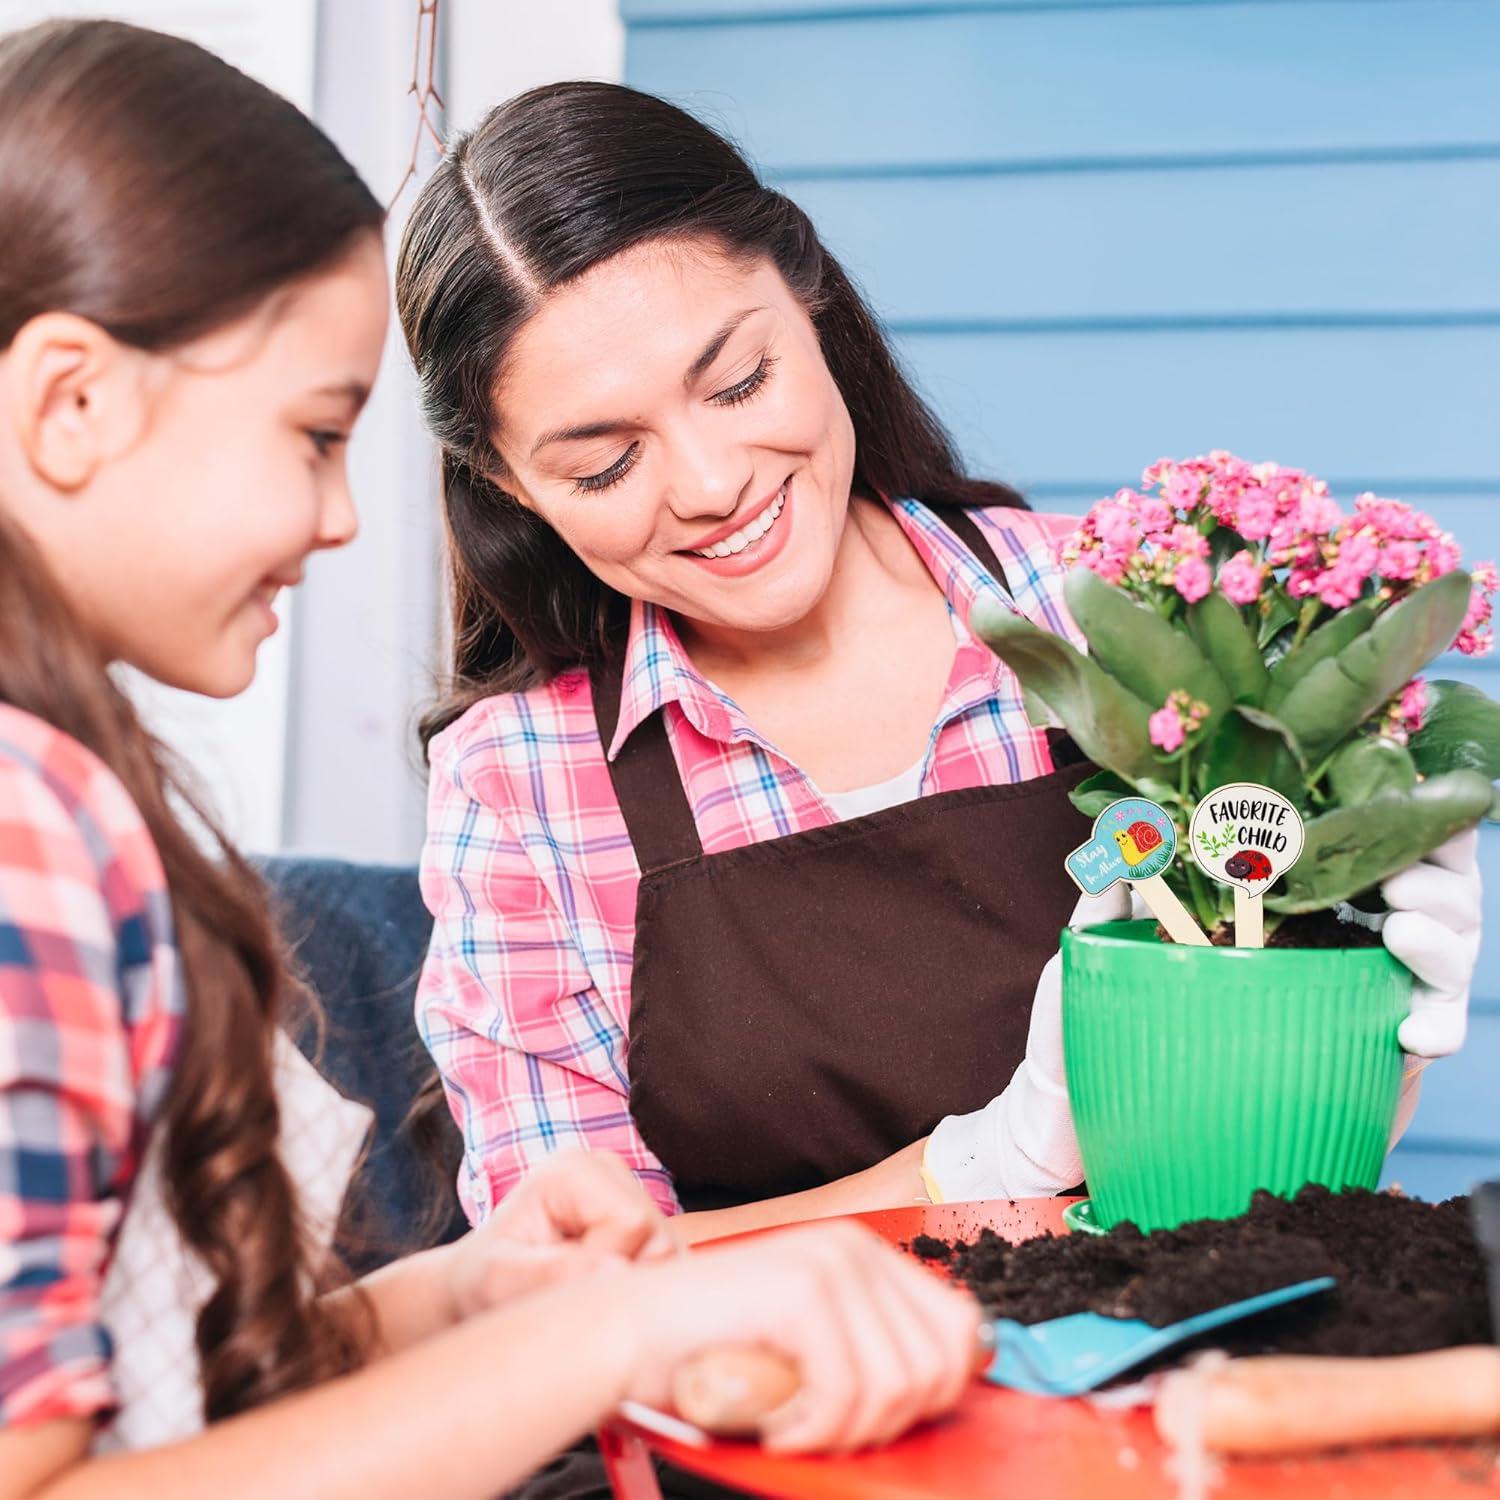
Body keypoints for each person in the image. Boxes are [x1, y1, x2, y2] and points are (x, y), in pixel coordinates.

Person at [0, 23, 981, 1499]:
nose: (341, 524)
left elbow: (152, 1400)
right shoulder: (30, 826)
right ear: (70, 405)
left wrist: (460, 1297)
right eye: (318, 434)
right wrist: (620, 1330)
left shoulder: (72, 810)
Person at [401, 80, 1479, 1249]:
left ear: (808, 295)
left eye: (740, 381)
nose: (710, 486)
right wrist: (972, 1169)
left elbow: (1281, 1177)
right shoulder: (523, 787)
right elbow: (565, 1295)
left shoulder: (1125, 621)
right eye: (607, 464)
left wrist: (1362, 1026)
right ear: (510, 485)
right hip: (774, 1420)